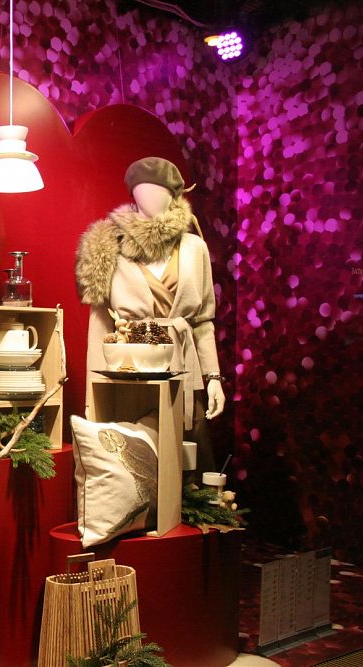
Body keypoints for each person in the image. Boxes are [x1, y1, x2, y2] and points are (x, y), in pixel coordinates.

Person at [74, 156, 224, 473]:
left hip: (184, 367)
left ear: (174, 196)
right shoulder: (109, 248)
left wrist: (213, 378)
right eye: (143, 190)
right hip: (132, 371)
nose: (151, 197)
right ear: (133, 195)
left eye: (160, 190)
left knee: (188, 463)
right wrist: (93, 394)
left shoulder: (194, 247)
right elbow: (100, 326)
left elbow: (203, 322)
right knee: (138, 461)